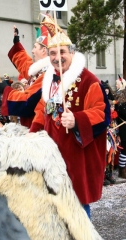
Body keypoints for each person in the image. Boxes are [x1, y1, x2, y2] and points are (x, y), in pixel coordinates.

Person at [41, 14, 110, 218]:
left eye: (61, 52)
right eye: (52, 53)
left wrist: (77, 120)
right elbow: (42, 112)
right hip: (53, 156)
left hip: (77, 157)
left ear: (72, 52)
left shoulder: (89, 81)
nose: (56, 57)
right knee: (56, 210)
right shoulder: (49, 81)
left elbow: (101, 112)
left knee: (78, 210)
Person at [0, 24, 50, 132]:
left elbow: (27, 102)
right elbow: (26, 66)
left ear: (44, 50)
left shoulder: (47, 75)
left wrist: (6, 90)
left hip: (37, 128)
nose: (32, 51)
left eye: (35, 47)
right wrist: (17, 44)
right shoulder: (41, 70)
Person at [114, 76, 126, 178]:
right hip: (123, 126)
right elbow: (121, 112)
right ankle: (122, 171)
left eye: (117, 83)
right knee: (124, 148)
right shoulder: (119, 97)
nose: (116, 84)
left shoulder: (122, 95)